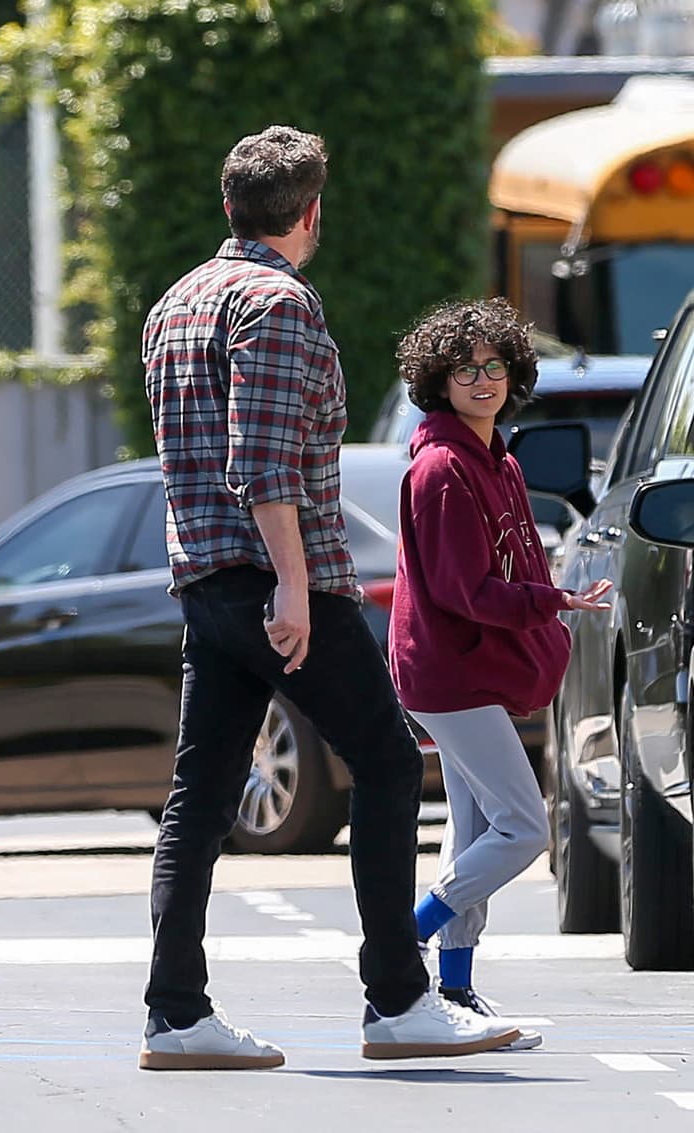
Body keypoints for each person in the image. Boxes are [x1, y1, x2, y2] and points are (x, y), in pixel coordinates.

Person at [138, 125, 523, 1071]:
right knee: (389, 763)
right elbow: (262, 463)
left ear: (232, 206)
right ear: (309, 214)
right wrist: (296, 591)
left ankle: (176, 1014)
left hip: (203, 583)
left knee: (198, 800)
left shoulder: (174, 303)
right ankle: (397, 998)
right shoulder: (278, 304)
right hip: (274, 583)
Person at [389, 297, 611, 1049]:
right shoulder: (444, 469)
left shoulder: (498, 458)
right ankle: (397, 945)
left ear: (513, 372)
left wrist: (550, 603)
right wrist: (555, 601)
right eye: (464, 369)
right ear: (437, 380)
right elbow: (464, 591)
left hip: (474, 672)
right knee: (523, 827)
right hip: (450, 675)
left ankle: (453, 988)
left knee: (474, 828)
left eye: (493, 366)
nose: (482, 380)